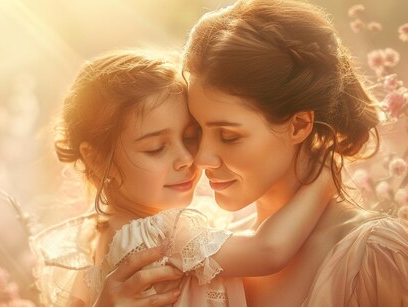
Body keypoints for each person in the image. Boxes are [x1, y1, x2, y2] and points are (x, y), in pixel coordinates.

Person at [100, 0, 408, 306]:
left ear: (299, 125)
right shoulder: (211, 244)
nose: (201, 158)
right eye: (197, 132)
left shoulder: (371, 253)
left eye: (229, 136)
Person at [30, 49, 335, 307]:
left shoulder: (96, 234)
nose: (187, 158)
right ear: (97, 159)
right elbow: (269, 251)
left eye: (190, 137)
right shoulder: (160, 236)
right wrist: (324, 178)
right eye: (156, 148)